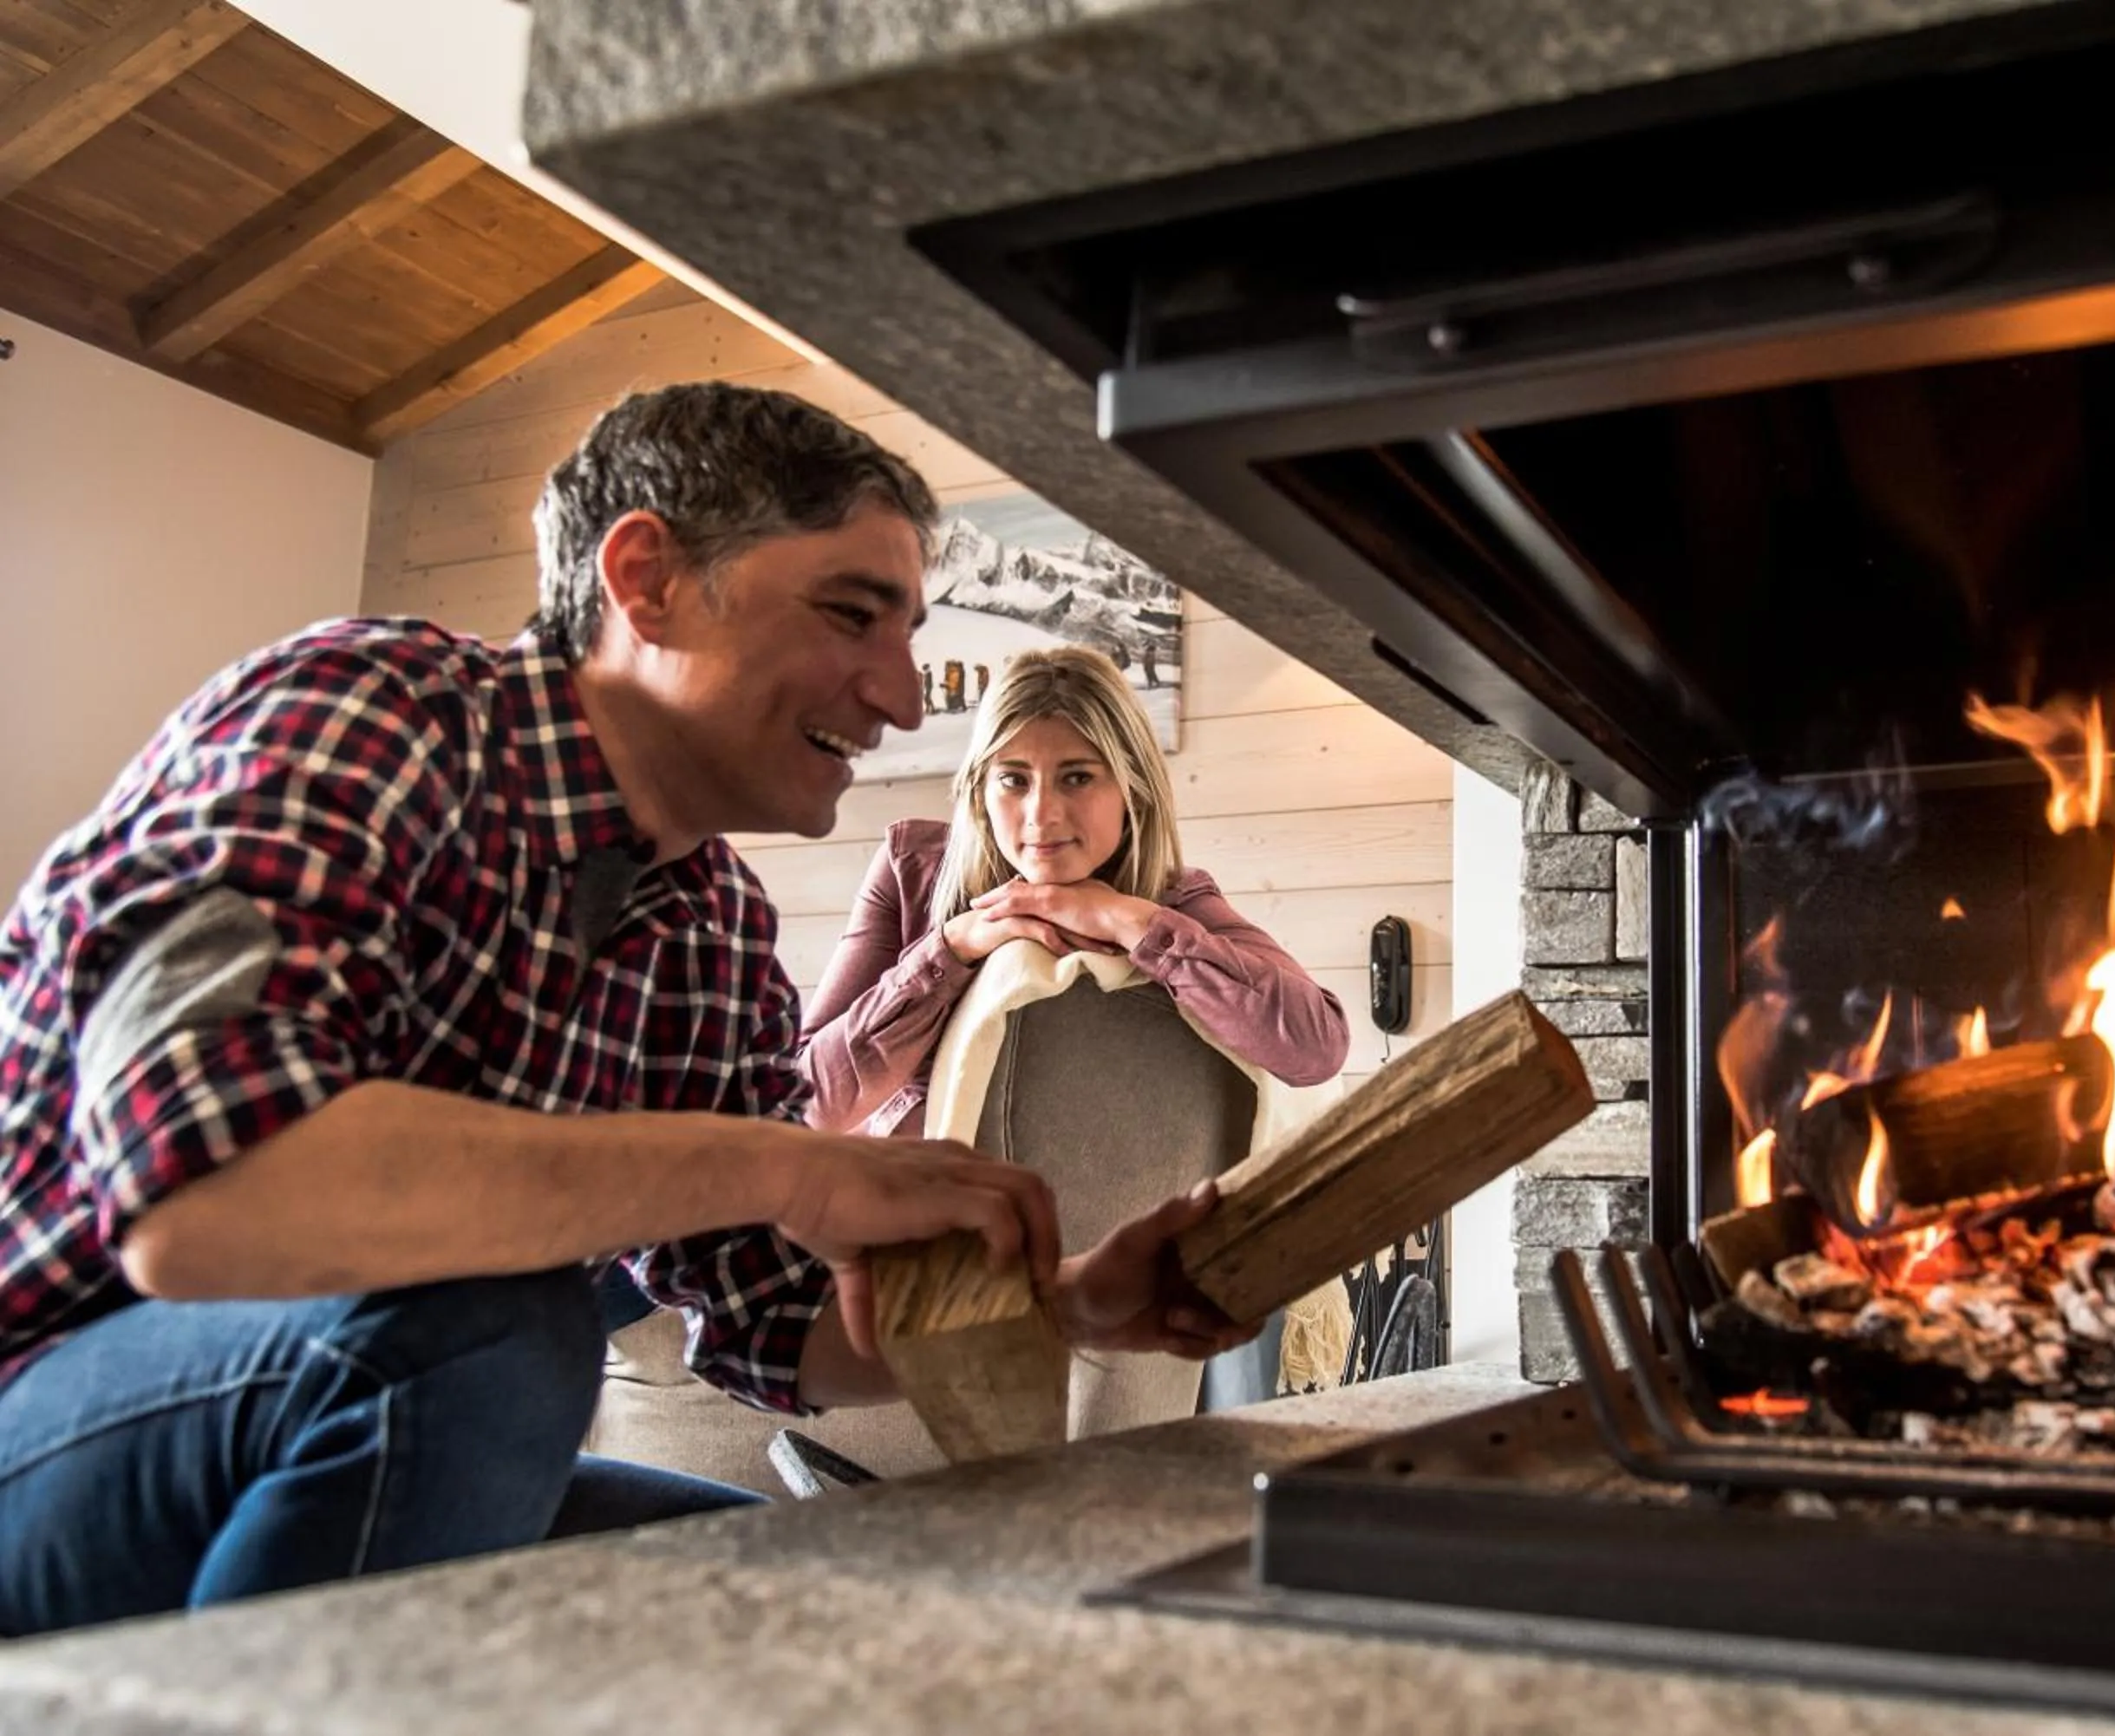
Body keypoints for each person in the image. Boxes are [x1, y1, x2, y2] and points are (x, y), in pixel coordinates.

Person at [0, 383, 1244, 1639]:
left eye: (907, 632)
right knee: (496, 1318)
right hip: (47, 1412)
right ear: (649, 580)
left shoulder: (712, 924)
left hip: (348, 1421)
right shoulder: (374, 716)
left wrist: (1070, 1301)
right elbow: (206, 1192)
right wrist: (790, 1166)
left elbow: (775, 1322)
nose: (904, 698)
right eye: (850, 614)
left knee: (812, 1610)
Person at [800, 645, 1350, 1138]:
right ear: (979, 792)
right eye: (1013, 780)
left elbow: (1316, 1047)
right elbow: (804, 1105)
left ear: (1132, 789)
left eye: (1078, 778)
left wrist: (1128, 921)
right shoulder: (911, 871)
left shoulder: (1174, 901)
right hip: (907, 1206)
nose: (1041, 815)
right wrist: (951, 950)